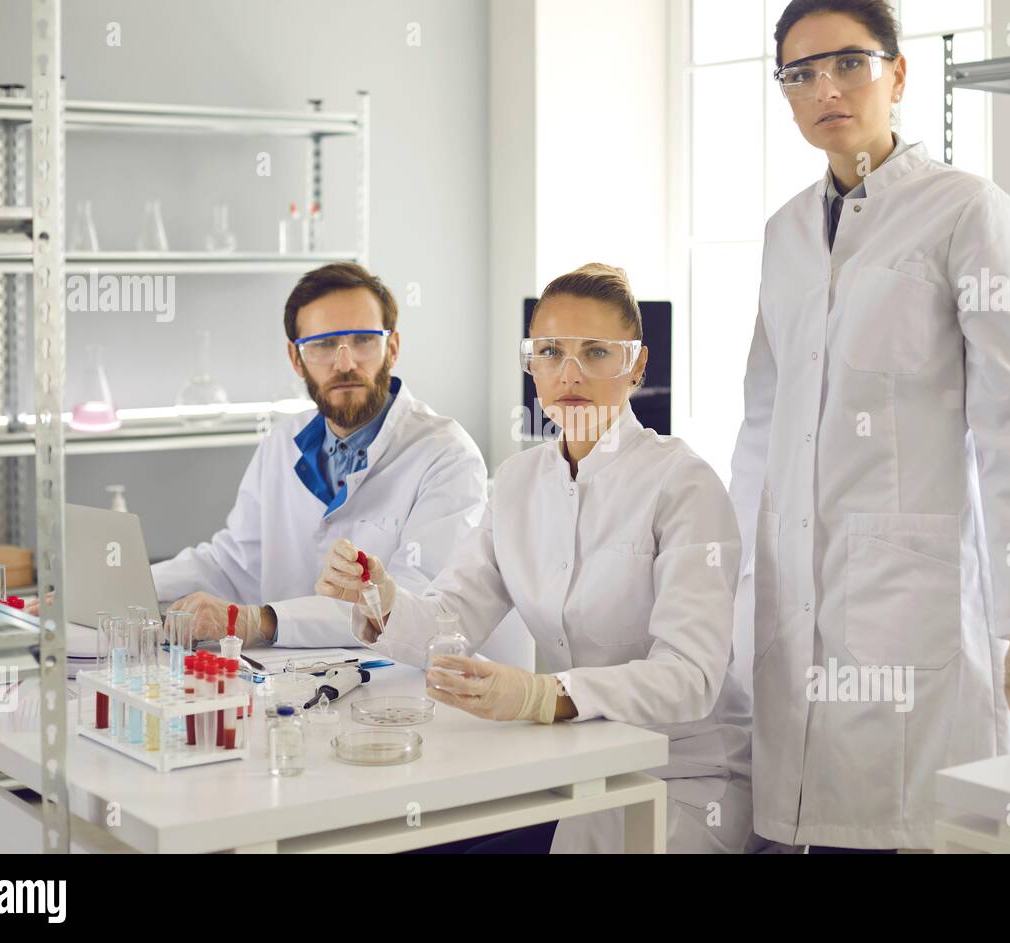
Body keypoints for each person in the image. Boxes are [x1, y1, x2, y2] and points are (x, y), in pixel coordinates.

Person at [730, 0, 1010, 853]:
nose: (825, 87)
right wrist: (736, 579)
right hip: (793, 596)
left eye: (848, 63)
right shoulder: (783, 233)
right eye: (800, 72)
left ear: (898, 74)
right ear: (784, 94)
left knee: (916, 830)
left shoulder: (967, 212)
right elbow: (762, 420)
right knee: (797, 832)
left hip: (912, 598)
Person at [317, 263, 755, 853]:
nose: (569, 373)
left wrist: (543, 695)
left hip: (684, 778)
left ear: (637, 365)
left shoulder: (683, 484)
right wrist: (381, 596)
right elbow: (452, 622)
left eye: (596, 352)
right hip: (570, 768)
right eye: (550, 351)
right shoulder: (520, 481)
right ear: (532, 364)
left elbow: (690, 678)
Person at [151, 262, 487, 647]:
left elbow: (414, 607)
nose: (345, 363)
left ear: (391, 348)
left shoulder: (446, 457)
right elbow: (231, 564)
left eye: (363, 340)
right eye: (324, 345)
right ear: (297, 360)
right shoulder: (281, 443)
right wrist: (125, 584)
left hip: (395, 688)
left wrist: (258, 621)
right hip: (286, 683)